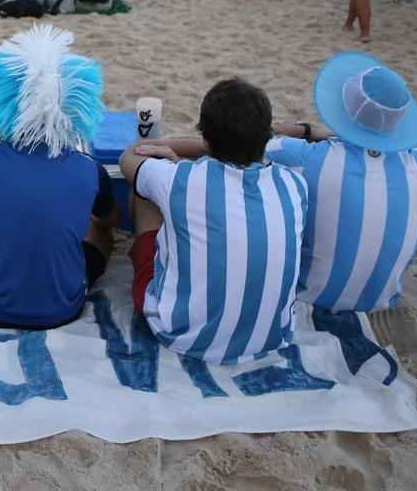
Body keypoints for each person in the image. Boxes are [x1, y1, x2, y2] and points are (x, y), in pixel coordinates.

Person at [0, 26, 117, 328]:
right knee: (101, 228)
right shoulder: (90, 168)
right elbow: (107, 221)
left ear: (6, 101)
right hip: (62, 307)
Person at [119, 77, 307, 364]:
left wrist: (172, 156)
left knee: (145, 199)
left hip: (181, 334)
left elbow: (130, 156)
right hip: (271, 336)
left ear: (205, 134)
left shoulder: (181, 180)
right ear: (266, 135)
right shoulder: (295, 184)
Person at [265, 53, 417, 312]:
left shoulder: (304, 157)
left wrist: (306, 130)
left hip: (309, 299)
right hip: (382, 303)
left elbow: (259, 137)